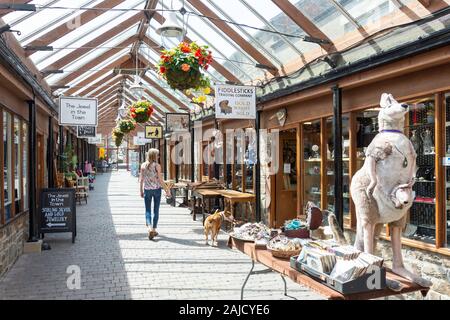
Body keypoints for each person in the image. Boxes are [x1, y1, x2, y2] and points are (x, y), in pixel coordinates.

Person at [140, 148, 171, 240]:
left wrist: (140, 191)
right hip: (157, 190)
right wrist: (167, 190)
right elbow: (161, 181)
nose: (158, 156)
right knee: (156, 210)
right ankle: (154, 228)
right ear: (154, 156)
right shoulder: (157, 166)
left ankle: (149, 228)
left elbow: (141, 180)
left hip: (147, 190)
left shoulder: (143, 165)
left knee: (148, 210)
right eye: (157, 155)